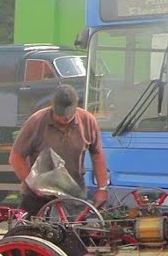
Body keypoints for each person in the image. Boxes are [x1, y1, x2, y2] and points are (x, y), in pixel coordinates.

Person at [8, 84, 110, 215]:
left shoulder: (88, 121)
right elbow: (15, 157)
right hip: (38, 197)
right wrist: (34, 184)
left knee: (77, 233)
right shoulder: (36, 122)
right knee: (31, 232)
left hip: (73, 194)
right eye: (60, 114)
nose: (65, 118)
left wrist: (102, 189)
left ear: (76, 104)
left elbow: (97, 155)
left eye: (68, 114)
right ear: (52, 104)